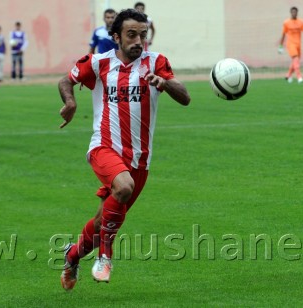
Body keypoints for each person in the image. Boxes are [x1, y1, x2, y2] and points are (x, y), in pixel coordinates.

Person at [58, 8, 190, 290]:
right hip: (104, 148)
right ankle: (105, 257)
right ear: (116, 37)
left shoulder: (156, 62)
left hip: (140, 159)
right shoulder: (98, 63)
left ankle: (71, 255)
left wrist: (164, 83)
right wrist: (70, 102)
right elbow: (65, 80)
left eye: (142, 35)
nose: (138, 41)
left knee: (100, 221)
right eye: (131, 35)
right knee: (123, 187)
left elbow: (185, 97)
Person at [279, 6, 303, 84]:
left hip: (298, 44)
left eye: (295, 12)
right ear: (290, 13)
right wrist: (281, 46)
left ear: (297, 13)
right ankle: (299, 77)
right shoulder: (286, 22)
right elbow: (283, 35)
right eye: (293, 12)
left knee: (295, 61)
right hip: (290, 44)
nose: (294, 13)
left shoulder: (301, 22)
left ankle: (288, 75)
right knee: (296, 59)